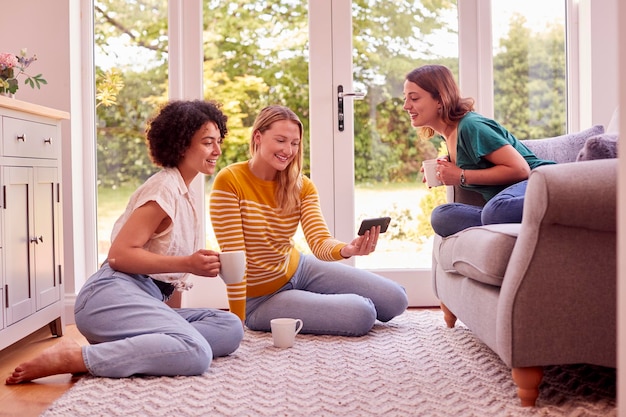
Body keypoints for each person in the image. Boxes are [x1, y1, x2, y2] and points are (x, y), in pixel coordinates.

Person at [6, 100, 243, 385]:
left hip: (143, 300)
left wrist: (169, 324)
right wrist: (188, 263)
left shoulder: (186, 192)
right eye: (208, 142)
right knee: (196, 352)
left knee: (229, 327)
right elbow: (119, 255)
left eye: (218, 141)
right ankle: (76, 357)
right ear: (181, 144)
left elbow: (169, 285)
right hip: (109, 296)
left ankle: (118, 349)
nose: (217, 150)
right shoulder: (164, 189)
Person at [209, 105, 408, 337]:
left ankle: (313, 301)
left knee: (396, 300)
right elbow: (234, 258)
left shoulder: (301, 186)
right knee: (362, 313)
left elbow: (319, 241)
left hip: (298, 268)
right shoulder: (230, 181)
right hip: (261, 299)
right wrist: (237, 319)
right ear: (258, 137)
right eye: (281, 140)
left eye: (294, 143)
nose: (288, 150)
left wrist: (347, 249)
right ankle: (315, 304)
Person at [403, 64, 555, 237]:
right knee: (442, 216)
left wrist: (461, 175)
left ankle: (564, 203)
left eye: (414, 98)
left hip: (543, 182)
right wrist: (446, 169)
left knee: (495, 211)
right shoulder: (449, 136)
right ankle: (498, 220)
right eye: (405, 98)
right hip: (504, 202)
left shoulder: (471, 126)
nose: (406, 106)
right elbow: (477, 163)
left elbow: (521, 169)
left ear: (440, 99)